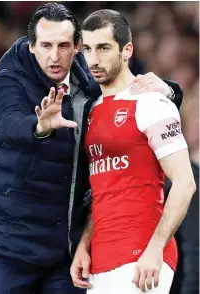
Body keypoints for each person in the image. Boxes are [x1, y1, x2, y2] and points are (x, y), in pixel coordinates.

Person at [0, 3, 184, 294]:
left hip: (66, 248)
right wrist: (40, 127)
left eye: (64, 46)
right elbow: (10, 122)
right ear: (31, 46)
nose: (55, 56)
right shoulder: (10, 79)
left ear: (77, 47)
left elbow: (126, 87)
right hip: (12, 243)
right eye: (45, 45)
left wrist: (170, 91)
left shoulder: (87, 79)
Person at [70, 9, 196, 294]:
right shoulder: (93, 110)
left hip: (141, 258)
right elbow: (103, 190)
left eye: (103, 48)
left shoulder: (151, 101)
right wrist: (84, 245)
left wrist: (155, 249)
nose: (93, 59)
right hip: (100, 260)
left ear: (127, 50)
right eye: (87, 49)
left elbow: (185, 183)